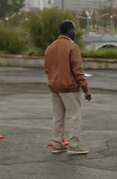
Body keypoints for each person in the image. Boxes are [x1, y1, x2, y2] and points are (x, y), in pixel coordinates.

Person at [44, 20, 92, 155]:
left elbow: (47, 69)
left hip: (54, 87)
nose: (75, 32)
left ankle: (57, 144)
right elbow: (78, 71)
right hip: (69, 88)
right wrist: (86, 90)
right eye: (74, 30)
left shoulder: (50, 47)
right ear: (69, 30)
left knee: (58, 117)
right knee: (75, 116)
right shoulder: (72, 47)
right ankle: (74, 145)